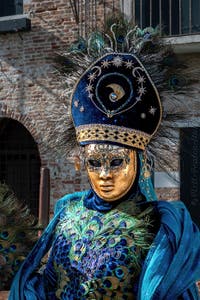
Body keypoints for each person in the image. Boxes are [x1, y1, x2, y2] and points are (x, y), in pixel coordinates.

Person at [9, 23, 200, 300]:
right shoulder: (67, 216)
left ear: (140, 162)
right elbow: (49, 283)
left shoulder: (161, 229)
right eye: (94, 163)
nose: (104, 175)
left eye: (115, 163)